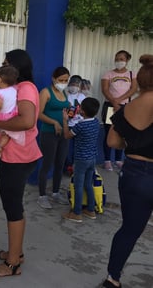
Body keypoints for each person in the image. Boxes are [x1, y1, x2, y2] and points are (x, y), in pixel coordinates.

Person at [0, 49, 42, 277]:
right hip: (11, 155)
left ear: (17, 67)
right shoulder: (15, 89)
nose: (2, 68)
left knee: (13, 208)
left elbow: (26, 121)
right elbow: (6, 119)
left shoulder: (25, 89)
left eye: (6, 64)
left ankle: (13, 263)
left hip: (18, 157)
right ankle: (15, 252)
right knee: (11, 206)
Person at [101, 54, 153, 288]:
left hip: (132, 172)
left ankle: (113, 279)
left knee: (129, 230)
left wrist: (132, 144)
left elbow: (112, 142)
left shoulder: (125, 109)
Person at [36, 66, 71, 209]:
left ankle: (56, 192)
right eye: (60, 80)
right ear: (53, 79)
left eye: (66, 80)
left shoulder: (65, 93)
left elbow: (66, 110)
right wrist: (54, 122)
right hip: (49, 133)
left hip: (64, 133)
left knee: (60, 164)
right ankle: (42, 196)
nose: (63, 82)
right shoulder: (46, 92)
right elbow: (38, 114)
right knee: (47, 164)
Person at [61, 97, 100, 222]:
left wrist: (65, 121)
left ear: (81, 111)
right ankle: (90, 210)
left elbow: (67, 135)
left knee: (78, 186)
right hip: (92, 159)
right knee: (88, 184)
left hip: (80, 160)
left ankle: (76, 213)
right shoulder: (96, 122)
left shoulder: (80, 126)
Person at [101, 50, 138, 171]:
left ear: (127, 60)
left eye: (121, 59)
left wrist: (120, 100)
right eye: (117, 59)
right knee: (109, 132)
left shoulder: (132, 74)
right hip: (110, 106)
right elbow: (105, 90)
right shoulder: (108, 74)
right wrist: (114, 102)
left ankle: (118, 160)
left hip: (124, 107)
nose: (119, 61)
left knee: (122, 133)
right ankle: (107, 160)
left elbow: (133, 89)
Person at [64, 75, 86, 174]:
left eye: (76, 85)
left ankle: (76, 166)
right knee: (68, 148)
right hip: (69, 125)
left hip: (79, 124)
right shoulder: (66, 96)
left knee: (79, 148)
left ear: (80, 86)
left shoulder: (82, 97)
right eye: (72, 84)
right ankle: (68, 166)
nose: (74, 87)